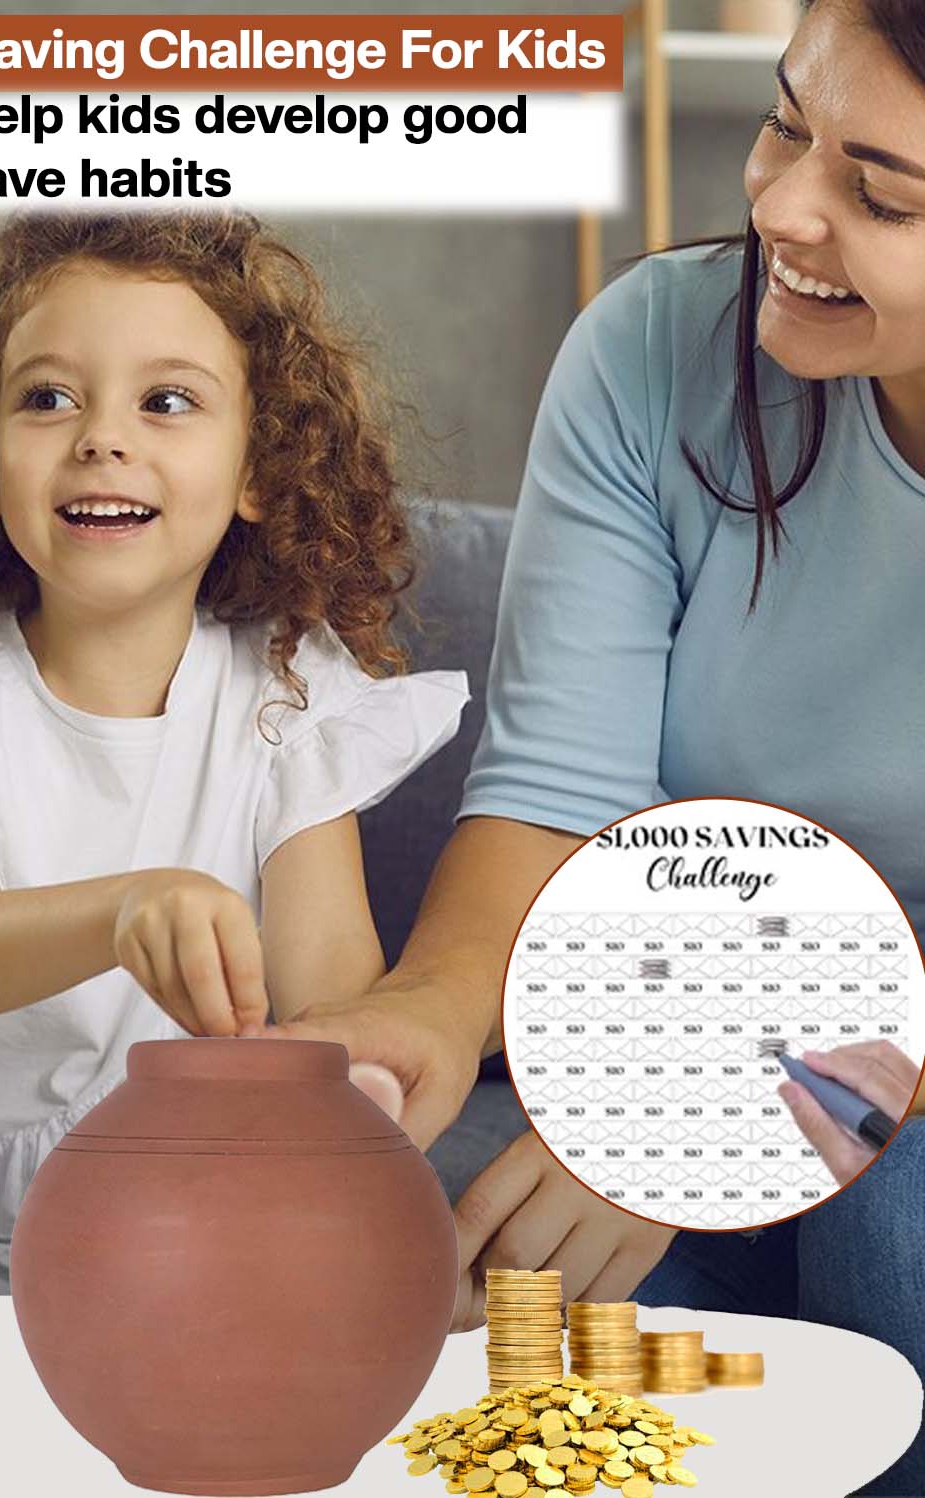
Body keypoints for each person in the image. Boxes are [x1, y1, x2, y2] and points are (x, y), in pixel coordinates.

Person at [252, 1, 925, 1491]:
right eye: (783, 122)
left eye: (881, 194)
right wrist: (424, 1010)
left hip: (817, 1067)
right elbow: (562, 791)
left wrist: (737, 1088)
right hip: (704, 1013)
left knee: (899, 1219)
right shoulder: (653, 351)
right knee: (427, 1261)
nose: (784, 209)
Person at [0, 210, 470, 1298]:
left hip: (202, 1201)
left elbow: (333, 1005)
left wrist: (356, 1128)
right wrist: (124, 910)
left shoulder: (285, 698)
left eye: (166, 401)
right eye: (47, 397)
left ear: (260, 470)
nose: (101, 437)